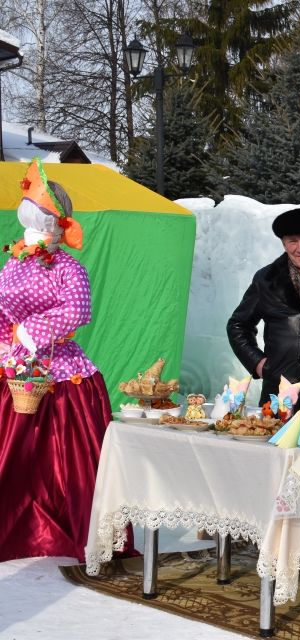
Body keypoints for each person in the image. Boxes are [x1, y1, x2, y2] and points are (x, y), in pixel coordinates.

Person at [0, 159, 110, 562]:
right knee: (14, 453)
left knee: (65, 458)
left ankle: (69, 527)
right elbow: (1, 308)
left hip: (63, 372)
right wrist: (5, 342)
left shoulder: (69, 267)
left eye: (39, 215)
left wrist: (33, 332)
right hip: (14, 369)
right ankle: (13, 524)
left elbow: (79, 311)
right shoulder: (13, 262)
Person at [227, 208, 300, 406]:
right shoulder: (266, 279)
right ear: (283, 243)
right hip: (277, 392)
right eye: (292, 241)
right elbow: (238, 325)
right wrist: (258, 364)